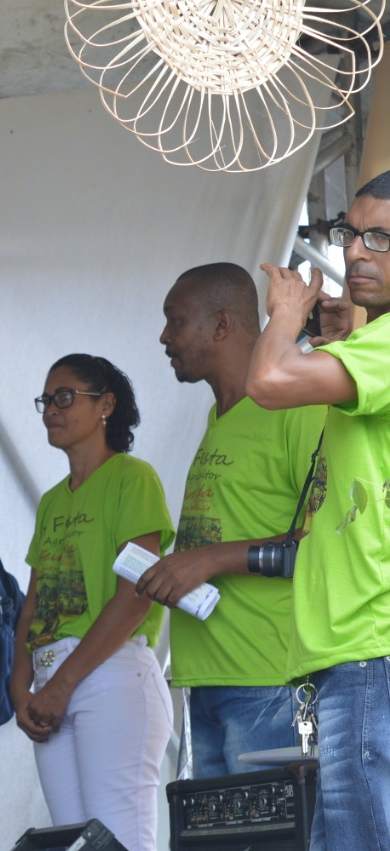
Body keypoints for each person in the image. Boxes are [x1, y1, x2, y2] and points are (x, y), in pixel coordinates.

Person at [134, 264, 326, 778]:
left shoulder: (298, 406)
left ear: (222, 324)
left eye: (176, 320)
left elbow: (324, 542)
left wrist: (206, 560)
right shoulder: (218, 415)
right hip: (204, 679)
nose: (164, 336)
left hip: (269, 680)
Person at [245, 170, 390, 849]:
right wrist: (338, 342)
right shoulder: (372, 346)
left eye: (380, 237)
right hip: (355, 648)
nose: (355, 251)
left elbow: (270, 379)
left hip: (370, 645)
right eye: (348, 233)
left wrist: (284, 314)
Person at [10, 354, 173, 851]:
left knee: (118, 841)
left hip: (110, 675)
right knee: (77, 843)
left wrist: (60, 685)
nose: (51, 410)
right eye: (45, 400)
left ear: (106, 405)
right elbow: (33, 604)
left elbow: (135, 596)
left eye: (65, 397)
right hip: (50, 681)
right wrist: (20, 690)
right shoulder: (52, 501)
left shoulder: (132, 478)